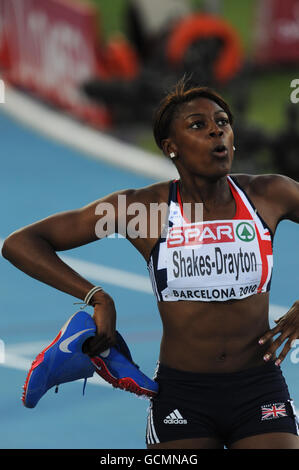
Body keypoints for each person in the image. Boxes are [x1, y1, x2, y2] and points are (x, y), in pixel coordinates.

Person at [2, 77, 299, 449]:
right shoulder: (143, 210)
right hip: (183, 394)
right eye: (198, 125)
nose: (216, 132)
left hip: (259, 387)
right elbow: (21, 243)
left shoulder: (271, 194)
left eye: (223, 122)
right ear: (170, 147)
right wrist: (97, 296)